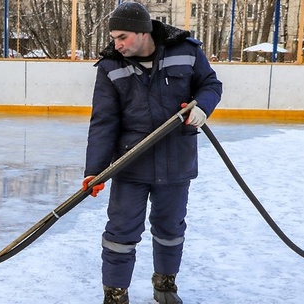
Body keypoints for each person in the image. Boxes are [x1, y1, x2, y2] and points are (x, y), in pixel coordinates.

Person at [81, 2, 222, 304]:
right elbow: (104, 121)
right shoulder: (110, 66)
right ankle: (116, 293)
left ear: (143, 31)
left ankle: (165, 283)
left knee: (170, 228)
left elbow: (211, 84)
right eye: (114, 38)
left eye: (122, 37)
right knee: (120, 232)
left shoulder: (185, 50)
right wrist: (94, 169)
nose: (116, 45)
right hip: (131, 164)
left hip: (176, 161)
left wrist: (202, 108)